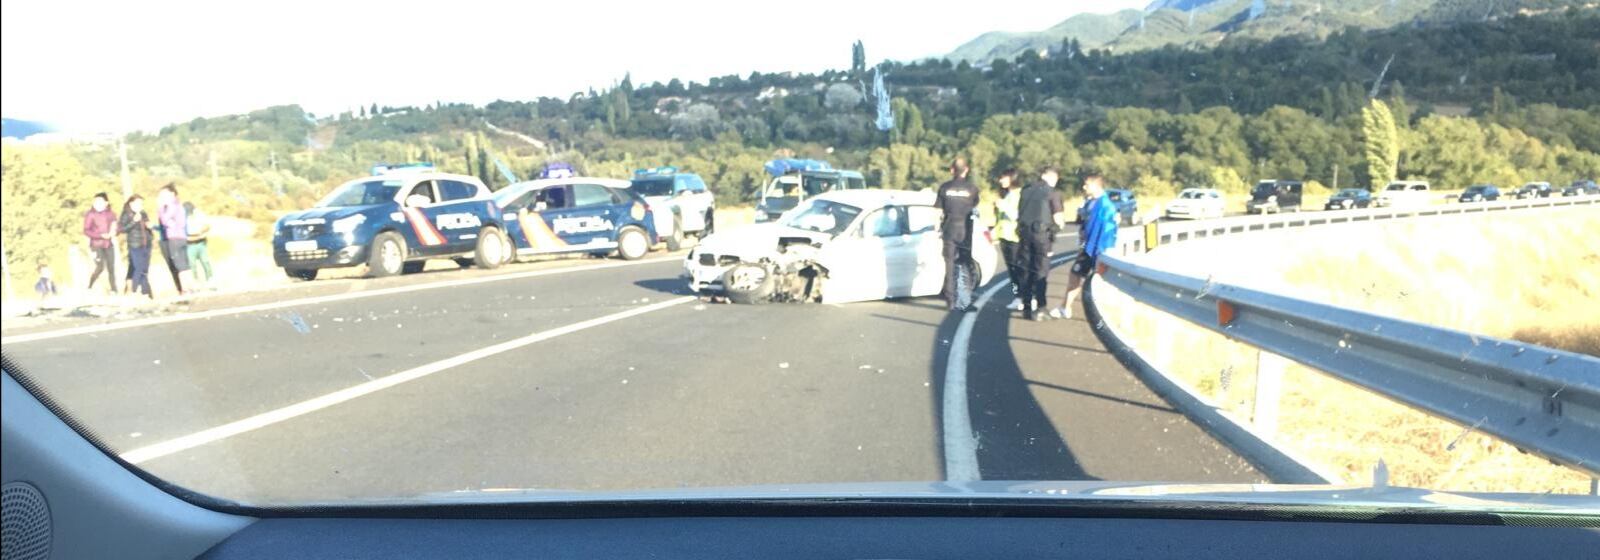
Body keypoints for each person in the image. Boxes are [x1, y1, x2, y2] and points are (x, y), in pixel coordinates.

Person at [1051, 175, 1118, 320]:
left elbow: (1107, 231)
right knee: (1075, 275)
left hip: (1096, 249)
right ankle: (1065, 307)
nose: (1084, 187)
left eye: (1087, 185)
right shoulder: (1090, 202)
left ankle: (1070, 308)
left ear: (1096, 186)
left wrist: (1101, 251)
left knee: (1089, 279)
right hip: (1087, 247)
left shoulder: (1105, 206)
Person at [1015, 167, 1064, 321]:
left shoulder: (1025, 190)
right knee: (1041, 271)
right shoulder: (1052, 193)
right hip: (1042, 236)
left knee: (1027, 270)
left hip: (1024, 234)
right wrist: (1056, 229)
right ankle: (1041, 307)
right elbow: (1059, 219)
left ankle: (1027, 306)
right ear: (1052, 177)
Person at [933, 157, 979, 312]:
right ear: (966, 170)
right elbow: (975, 209)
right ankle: (964, 301)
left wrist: (937, 229)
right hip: (965, 230)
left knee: (949, 264)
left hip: (949, 229)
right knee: (964, 264)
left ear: (952, 170)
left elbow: (937, 211)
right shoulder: (972, 189)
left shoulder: (944, 188)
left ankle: (950, 300)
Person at [992, 169, 1025, 311]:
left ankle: (1026, 296)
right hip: (1004, 235)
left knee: (1019, 269)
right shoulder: (1006, 194)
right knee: (1012, 270)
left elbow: (1019, 215)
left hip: (1015, 237)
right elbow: (1001, 219)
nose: (1001, 181)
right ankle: (1018, 296)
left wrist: (1003, 207)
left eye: (1004, 178)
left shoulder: (1019, 194)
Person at [155, 183, 192, 295]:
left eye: (163, 194)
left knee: (178, 264)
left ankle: (185, 289)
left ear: (171, 193)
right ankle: (189, 287)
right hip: (182, 237)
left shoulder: (171, 206)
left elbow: (165, 220)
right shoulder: (179, 205)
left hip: (174, 237)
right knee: (184, 263)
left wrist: (160, 208)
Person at [119, 194, 155, 298]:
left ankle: (146, 292)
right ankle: (135, 291)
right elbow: (122, 229)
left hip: (146, 243)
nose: (140, 205)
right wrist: (134, 221)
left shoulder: (143, 213)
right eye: (138, 203)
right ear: (131, 203)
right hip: (135, 244)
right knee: (138, 268)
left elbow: (147, 224)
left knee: (144, 269)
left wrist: (149, 226)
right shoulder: (126, 214)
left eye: (141, 203)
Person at [82, 192, 119, 294]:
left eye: (100, 201)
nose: (97, 204)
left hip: (109, 244)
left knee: (111, 267)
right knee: (100, 267)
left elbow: (117, 227)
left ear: (106, 203)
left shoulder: (111, 214)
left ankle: (114, 290)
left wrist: (115, 232)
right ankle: (90, 285)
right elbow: (86, 230)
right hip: (96, 245)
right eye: (95, 202)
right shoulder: (90, 214)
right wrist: (100, 235)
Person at [184, 201, 213, 290]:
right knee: (192, 265)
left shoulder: (199, 215)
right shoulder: (183, 218)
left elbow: (207, 226)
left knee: (205, 262)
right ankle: (196, 283)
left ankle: (210, 280)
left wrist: (200, 231)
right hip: (189, 244)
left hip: (201, 242)